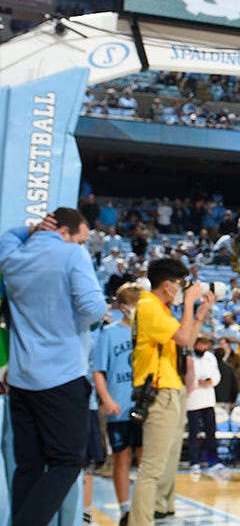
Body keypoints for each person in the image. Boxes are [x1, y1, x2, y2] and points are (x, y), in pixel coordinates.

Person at [0, 208, 106, 526]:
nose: (82, 245)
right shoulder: (72, 256)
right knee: (67, 463)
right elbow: (93, 307)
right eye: (81, 239)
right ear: (64, 232)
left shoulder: (13, 257)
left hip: (21, 379)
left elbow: (7, 237)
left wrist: (30, 229)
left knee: (28, 466)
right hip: (61, 377)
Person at [129, 258, 216, 525]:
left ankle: (159, 509)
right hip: (158, 390)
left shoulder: (160, 308)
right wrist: (190, 303)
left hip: (170, 388)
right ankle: (140, 521)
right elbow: (181, 337)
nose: (182, 290)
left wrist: (200, 313)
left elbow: (187, 340)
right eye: (180, 284)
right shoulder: (148, 305)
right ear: (167, 285)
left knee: (164, 461)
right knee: (151, 469)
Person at [93, 283, 143, 526]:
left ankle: (144, 507)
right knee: (122, 458)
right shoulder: (110, 333)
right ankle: (125, 510)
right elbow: (98, 371)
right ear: (124, 308)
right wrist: (106, 399)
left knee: (146, 459)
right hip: (118, 405)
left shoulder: (147, 333)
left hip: (144, 405)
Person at [186, 334, 231, 480]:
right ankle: (194, 461)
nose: (203, 347)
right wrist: (197, 382)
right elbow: (187, 376)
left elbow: (216, 376)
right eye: (200, 344)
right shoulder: (188, 357)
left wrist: (210, 380)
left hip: (208, 399)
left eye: (205, 344)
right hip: (192, 400)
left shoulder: (210, 357)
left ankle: (213, 461)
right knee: (194, 434)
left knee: (211, 432)